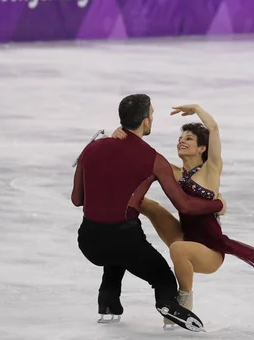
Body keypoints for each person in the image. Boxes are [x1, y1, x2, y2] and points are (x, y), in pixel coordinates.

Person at [71, 94, 224, 332]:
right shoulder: (155, 160)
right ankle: (166, 303)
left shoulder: (91, 148)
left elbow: (76, 200)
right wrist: (217, 205)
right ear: (145, 121)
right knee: (162, 277)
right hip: (125, 241)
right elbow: (184, 205)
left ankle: (108, 305)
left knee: (114, 255)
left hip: (88, 241)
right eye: (151, 114)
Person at [112, 104, 254, 329]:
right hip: (184, 235)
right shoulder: (175, 172)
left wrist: (198, 109)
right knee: (148, 205)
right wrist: (120, 135)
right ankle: (118, 232)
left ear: (202, 148)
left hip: (209, 250)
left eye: (189, 138)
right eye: (180, 137)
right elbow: (142, 154)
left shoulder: (210, 170)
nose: (182, 141)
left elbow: (214, 129)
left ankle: (183, 299)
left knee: (178, 249)